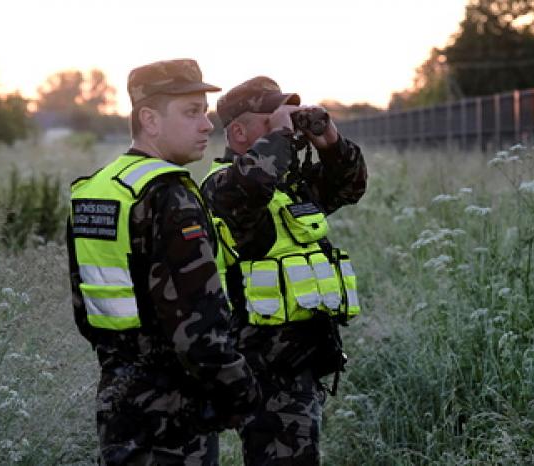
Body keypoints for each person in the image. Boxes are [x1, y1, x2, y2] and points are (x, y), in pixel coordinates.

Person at [66, 59, 260, 465]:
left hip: (118, 399)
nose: (207, 125)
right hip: (175, 414)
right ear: (150, 120)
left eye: (205, 112)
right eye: (192, 112)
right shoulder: (170, 195)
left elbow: (87, 309)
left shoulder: (97, 189)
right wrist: (241, 390)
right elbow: (198, 326)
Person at [200, 76, 368, 466]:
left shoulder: (288, 188)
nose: (289, 127)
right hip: (261, 366)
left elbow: (350, 186)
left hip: (298, 361)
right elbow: (252, 183)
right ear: (238, 131)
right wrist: (281, 136)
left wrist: (329, 138)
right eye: (272, 119)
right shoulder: (222, 187)